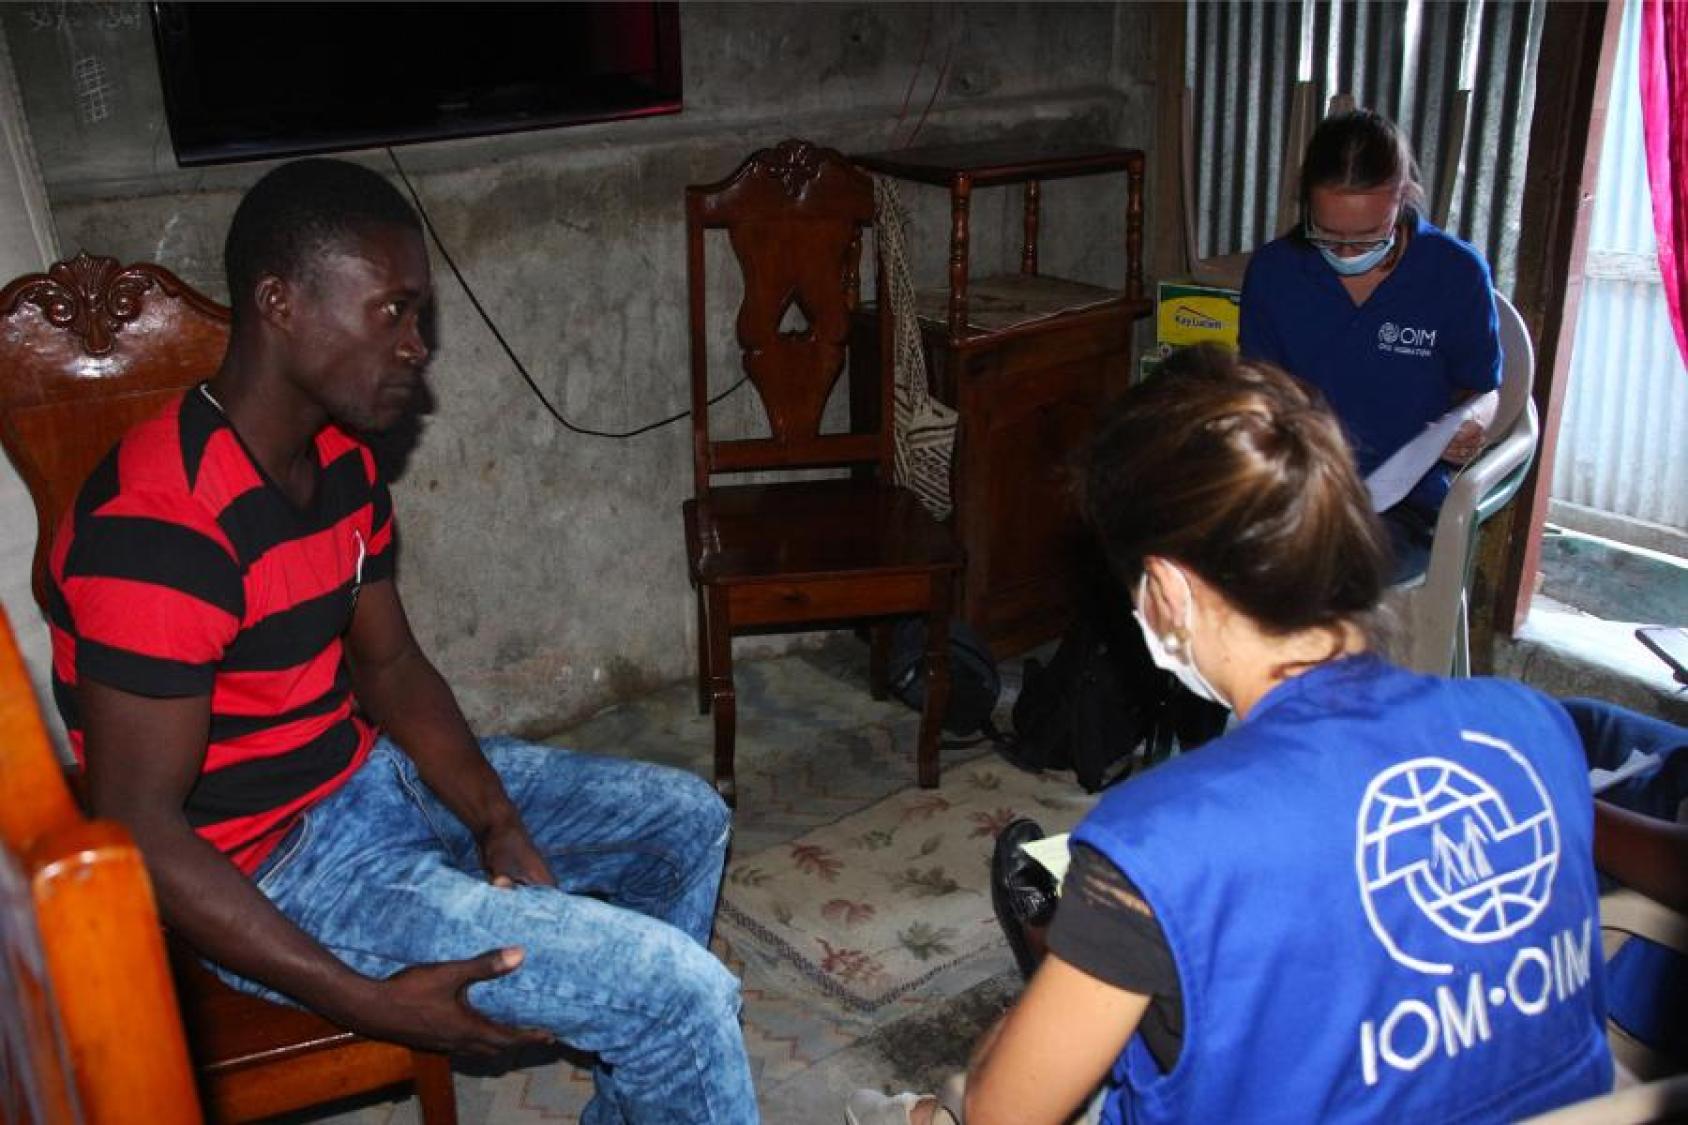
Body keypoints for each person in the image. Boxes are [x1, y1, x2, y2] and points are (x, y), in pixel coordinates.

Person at [46, 158, 756, 1125]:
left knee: (685, 821)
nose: (419, 346)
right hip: (278, 867)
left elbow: (391, 666)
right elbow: (141, 830)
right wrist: (368, 1001)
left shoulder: (339, 461)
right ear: (280, 302)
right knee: (686, 995)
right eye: (393, 311)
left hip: (367, 779)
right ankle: (655, 1026)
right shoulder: (161, 529)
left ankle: (642, 1089)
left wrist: (494, 816)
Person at [847, 348, 1610, 1125]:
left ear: (1171, 589)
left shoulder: (1159, 841)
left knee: (945, 1105)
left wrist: (976, 1076)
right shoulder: (1537, 726)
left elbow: (1002, 1115)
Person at [1239, 109, 1501, 582]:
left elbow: (1484, 389)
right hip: (1297, 489)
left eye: (1366, 237)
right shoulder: (1276, 271)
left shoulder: (1453, 274)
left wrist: (1472, 424)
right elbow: (1258, 389)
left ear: (1402, 197)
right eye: (1327, 235)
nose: (1345, 254)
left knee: (1303, 580)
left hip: (1404, 505)